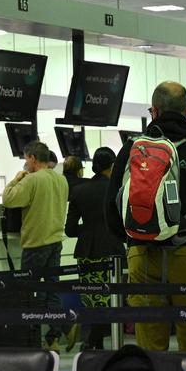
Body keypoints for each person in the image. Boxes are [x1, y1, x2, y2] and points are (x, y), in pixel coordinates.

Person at [106, 81, 186, 352]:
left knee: (150, 346)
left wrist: (134, 243)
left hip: (144, 257)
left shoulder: (131, 149)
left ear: (154, 111)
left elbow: (112, 208)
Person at [2, 140, 70, 350]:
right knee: (52, 289)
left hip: (35, 243)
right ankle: (55, 335)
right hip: (56, 241)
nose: (25, 163)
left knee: (32, 291)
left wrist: (16, 179)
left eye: (25, 159)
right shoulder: (61, 180)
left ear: (32, 158)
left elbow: (9, 200)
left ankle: (33, 336)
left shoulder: (32, 180)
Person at [65, 147, 122, 351]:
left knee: (92, 300)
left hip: (87, 252)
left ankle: (93, 343)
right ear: (113, 165)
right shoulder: (117, 190)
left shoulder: (79, 190)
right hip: (112, 251)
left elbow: (70, 230)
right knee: (111, 300)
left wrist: (89, 229)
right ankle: (92, 342)